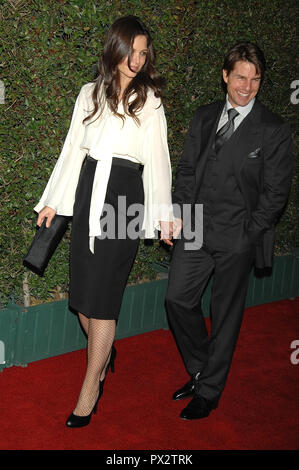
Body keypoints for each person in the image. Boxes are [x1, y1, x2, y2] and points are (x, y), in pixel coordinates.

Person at [34, 16, 173, 427]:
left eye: (144, 51)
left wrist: (163, 216)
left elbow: (159, 164)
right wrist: (52, 203)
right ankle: (104, 351)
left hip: (125, 198)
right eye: (132, 49)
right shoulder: (88, 94)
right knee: (82, 296)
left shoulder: (149, 102)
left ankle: (90, 388)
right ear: (115, 48)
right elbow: (71, 152)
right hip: (88, 188)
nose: (138, 58)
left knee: (105, 298)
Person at [165, 42, 293, 420]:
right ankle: (202, 366)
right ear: (225, 76)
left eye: (255, 79)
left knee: (224, 315)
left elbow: (276, 192)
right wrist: (179, 215)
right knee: (176, 300)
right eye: (240, 76)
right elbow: (187, 172)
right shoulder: (205, 117)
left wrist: (249, 233)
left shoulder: (272, 129)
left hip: (237, 235)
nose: (247, 86)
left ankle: (209, 391)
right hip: (196, 228)